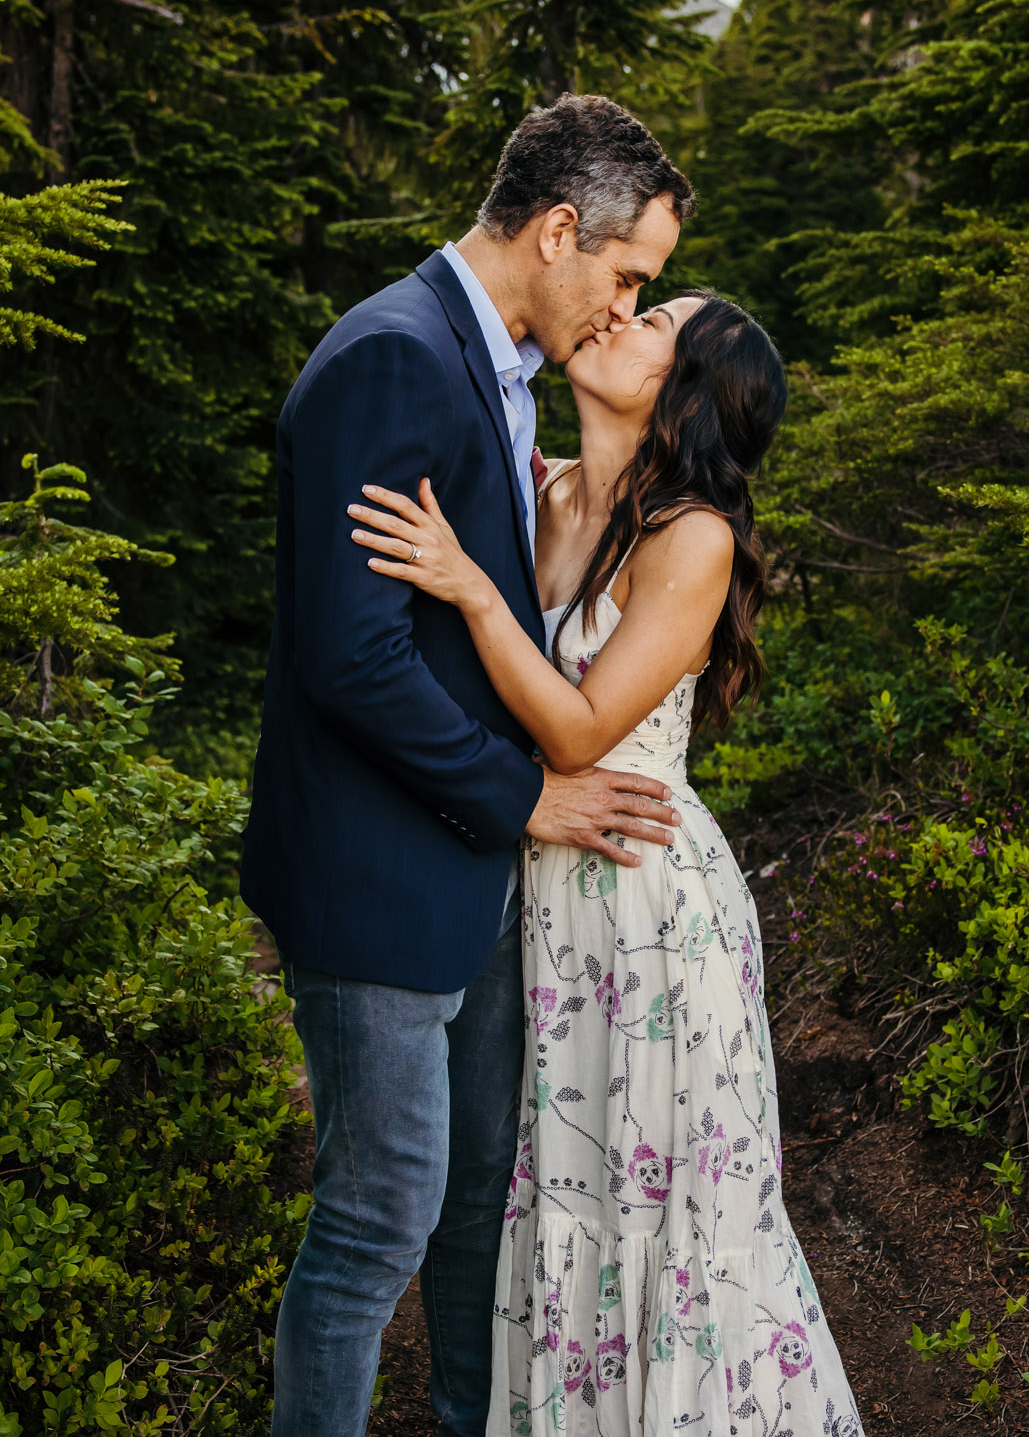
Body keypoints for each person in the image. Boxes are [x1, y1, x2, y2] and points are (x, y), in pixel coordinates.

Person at [243, 95, 699, 1437]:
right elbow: (353, 655)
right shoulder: (396, 355)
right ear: (560, 229)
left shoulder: (489, 363)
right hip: (379, 878)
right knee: (376, 1221)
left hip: (464, 878)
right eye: (625, 276)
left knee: (474, 1191)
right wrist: (527, 794)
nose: (622, 311)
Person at [346, 291, 860, 1437]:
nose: (615, 318)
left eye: (650, 325)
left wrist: (472, 587)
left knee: (664, 1200)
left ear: (683, 394)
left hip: (648, 901)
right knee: (563, 1189)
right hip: (536, 889)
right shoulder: (542, 489)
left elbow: (578, 731)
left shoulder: (694, 537)